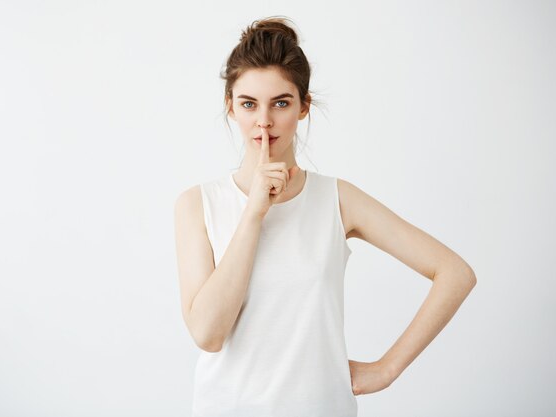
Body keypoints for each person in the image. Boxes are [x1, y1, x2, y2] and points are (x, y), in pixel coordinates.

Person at [173, 16, 477, 417]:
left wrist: (386, 370)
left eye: (280, 103)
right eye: (249, 104)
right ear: (231, 107)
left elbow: (454, 273)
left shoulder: (336, 199)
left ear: (303, 107)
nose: (263, 121)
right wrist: (254, 212)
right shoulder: (197, 204)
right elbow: (208, 334)